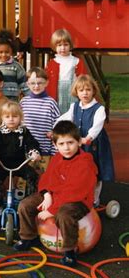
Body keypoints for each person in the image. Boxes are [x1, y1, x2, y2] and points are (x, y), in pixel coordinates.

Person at [14, 121, 98, 267]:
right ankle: (29, 236)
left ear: (79, 142)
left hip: (78, 200)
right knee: (25, 205)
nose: (66, 147)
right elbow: (47, 178)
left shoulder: (85, 162)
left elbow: (75, 191)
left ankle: (70, 251)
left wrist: (51, 209)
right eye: (62, 144)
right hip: (55, 195)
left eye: (70, 142)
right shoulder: (57, 158)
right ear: (55, 145)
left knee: (64, 215)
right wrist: (46, 194)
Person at [57, 74, 115, 207]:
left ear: (93, 91)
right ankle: (79, 194)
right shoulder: (75, 106)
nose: (85, 93)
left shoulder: (99, 108)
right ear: (76, 92)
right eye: (81, 90)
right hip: (79, 143)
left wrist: (89, 137)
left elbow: (98, 125)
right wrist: (55, 129)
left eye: (88, 90)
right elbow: (65, 117)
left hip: (94, 144)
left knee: (95, 171)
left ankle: (94, 199)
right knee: (78, 170)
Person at [0, 102, 41, 221]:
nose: (11, 119)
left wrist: (34, 152)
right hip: (4, 164)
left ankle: (28, 205)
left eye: (15, 116)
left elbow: (31, 143)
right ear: (2, 118)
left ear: (20, 117)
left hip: (21, 164)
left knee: (32, 176)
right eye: (7, 117)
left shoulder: (24, 131)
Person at [20, 67, 60, 172]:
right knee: (25, 178)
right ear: (28, 84)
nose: (36, 86)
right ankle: (22, 189)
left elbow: (58, 123)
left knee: (43, 176)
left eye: (40, 83)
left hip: (45, 148)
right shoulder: (24, 102)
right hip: (27, 149)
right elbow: (19, 122)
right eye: (32, 83)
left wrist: (53, 132)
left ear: (46, 83)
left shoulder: (51, 103)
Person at [45, 29, 87, 113]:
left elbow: (84, 79)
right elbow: (46, 80)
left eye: (65, 45)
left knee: (73, 110)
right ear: (54, 47)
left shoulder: (76, 61)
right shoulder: (52, 63)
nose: (63, 48)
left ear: (70, 45)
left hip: (73, 90)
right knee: (59, 111)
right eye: (59, 45)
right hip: (58, 91)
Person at [0, 30, 28, 101]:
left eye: (7, 52)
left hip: (12, 101)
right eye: (1, 52)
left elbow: (24, 84)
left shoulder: (16, 66)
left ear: (12, 51)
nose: (4, 55)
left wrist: (31, 96)